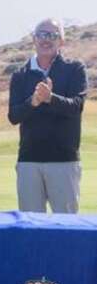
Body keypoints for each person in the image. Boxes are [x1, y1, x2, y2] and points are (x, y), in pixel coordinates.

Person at [8, 18, 86, 213]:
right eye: (42, 34)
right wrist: (33, 102)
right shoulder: (20, 75)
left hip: (64, 161)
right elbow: (13, 116)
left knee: (66, 228)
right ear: (34, 39)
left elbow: (76, 106)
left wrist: (50, 98)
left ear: (62, 41)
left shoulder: (74, 69)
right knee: (32, 231)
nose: (46, 39)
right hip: (29, 161)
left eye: (52, 35)